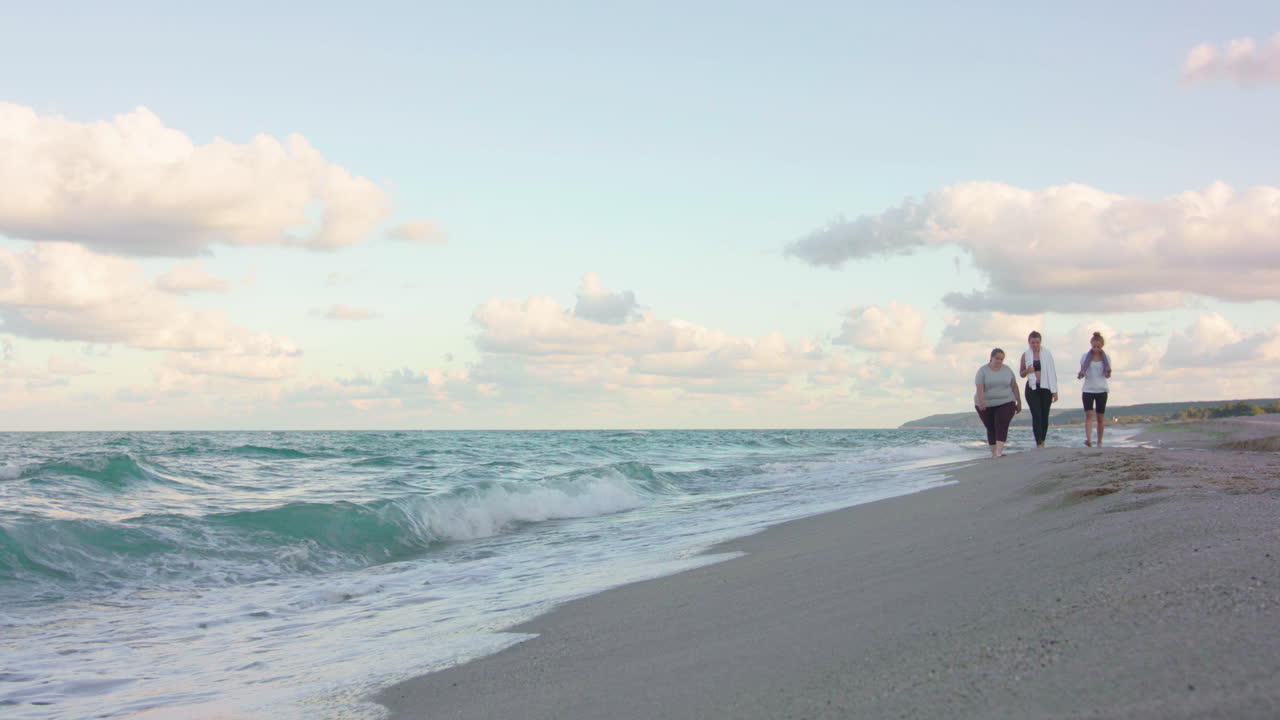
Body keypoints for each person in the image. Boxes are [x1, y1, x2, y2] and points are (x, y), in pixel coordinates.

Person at [975, 348, 1022, 458]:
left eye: (1001, 359)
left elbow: (1014, 386)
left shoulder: (1007, 370)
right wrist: (981, 402)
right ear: (991, 357)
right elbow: (979, 387)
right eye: (997, 358)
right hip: (986, 403)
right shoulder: (983, 371)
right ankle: (993, 452)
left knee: (1001, 423)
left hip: (1006, 401)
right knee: (991, 427)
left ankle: (999, 452)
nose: (999, 361)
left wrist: (1019, 401)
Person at [1019, 331, 1058, 449]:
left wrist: (1054, 391)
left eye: (1037, 342)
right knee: (1036, 414)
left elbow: (1052, 372)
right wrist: (1028, 371)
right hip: (1032, 387)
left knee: (1044, 415)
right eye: (1032, 342)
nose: (1035, 345)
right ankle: (1038, 442)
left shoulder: (1047, 354)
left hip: (1045, 387)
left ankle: (1043, 440)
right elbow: (1021, 373)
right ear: (1029, 342)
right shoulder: (1025, 355)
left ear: (1040, 342)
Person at [1077, 331, 1113, 447]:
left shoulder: (1106, 358)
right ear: (1091, 345)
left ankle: (1099, 441)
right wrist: (1081, 373)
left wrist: (1109, 371)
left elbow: (1107, 375)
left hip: (1101, 390)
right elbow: (1082, 370)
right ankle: (1088, 439)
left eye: (1098, 347)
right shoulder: (1085, 357)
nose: (1095, 349)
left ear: (1102, 346)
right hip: (1088, 389)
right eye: (1094, 347)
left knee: (1100, 416)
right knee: (1088, 415)